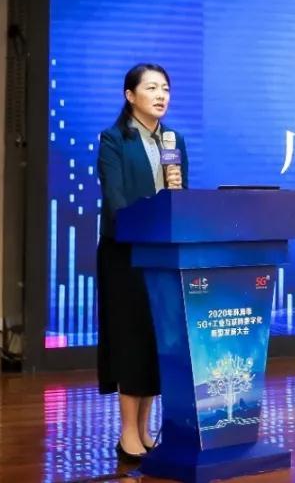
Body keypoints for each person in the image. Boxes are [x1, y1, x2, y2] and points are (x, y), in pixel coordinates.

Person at [96, 63, 188, 464]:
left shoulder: (173, 139)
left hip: (163, 253)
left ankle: (146, 428)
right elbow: (115, 200)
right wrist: (142, 227)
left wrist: (178, 198)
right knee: (131, 339)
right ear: (130, 95)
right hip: (126, 252)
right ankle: (127, 432)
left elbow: (180, 198)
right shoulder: (114, 139)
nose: (161, 95)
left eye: (165, 88)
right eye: (151, 88)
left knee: (155, 340)